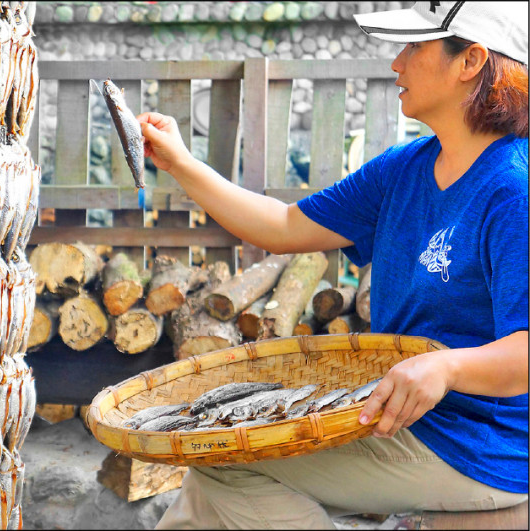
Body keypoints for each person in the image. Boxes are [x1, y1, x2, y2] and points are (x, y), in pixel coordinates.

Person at [137, 2, 529, 528]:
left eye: (415, 46)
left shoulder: (513, 190)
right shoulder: (404, 169)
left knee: (223, 467)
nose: (397, 62)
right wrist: (181, 163)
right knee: (200, 501)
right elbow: (282, 226)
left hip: (478, 446)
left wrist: (448, 366)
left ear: (471, 61)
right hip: (406, 423)